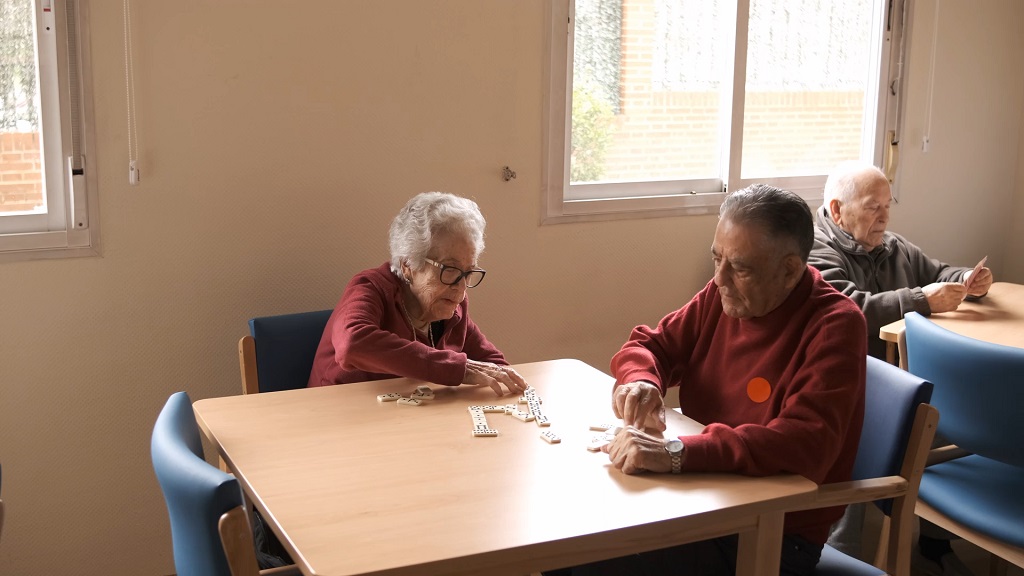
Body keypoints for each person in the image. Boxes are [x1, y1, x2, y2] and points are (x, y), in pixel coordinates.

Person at [553, 184, 867, 576]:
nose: (719, 278)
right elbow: (652, 345)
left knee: (572, 559)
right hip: (699, 500)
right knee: (559, 526)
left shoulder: (835, 325)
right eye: (716, 259)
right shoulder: (724, 294)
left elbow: (804, 445)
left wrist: (676, 453)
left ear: (789, 270)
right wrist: (642, 380)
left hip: (769, 534)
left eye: (740, 267)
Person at [809, 161, 991, 576]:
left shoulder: (893, 245)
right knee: (854, 445)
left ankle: (934, 542)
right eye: (874, 208)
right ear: (837, 210)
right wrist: (923, 299)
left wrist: (967, 279)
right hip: (846, 380)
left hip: (901, 376)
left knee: (948, 416)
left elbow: (939, 272)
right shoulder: (814, 249)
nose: (885, 218)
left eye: (888, 207)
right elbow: (849, 309)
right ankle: (838, 557)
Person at [307, 191, 527, 397]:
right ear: (408, 265)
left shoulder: (453, 306)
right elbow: (352, 345)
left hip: (405, 421)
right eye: (449, 270)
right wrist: (455, 368)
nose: (461, 289)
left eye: (468, 272)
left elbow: (493, 365)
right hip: (337, 414)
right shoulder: (370, 288)